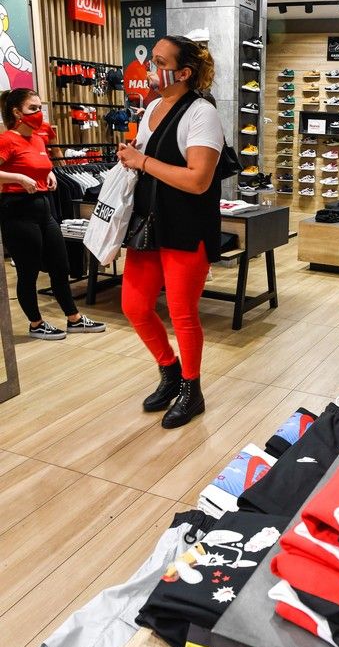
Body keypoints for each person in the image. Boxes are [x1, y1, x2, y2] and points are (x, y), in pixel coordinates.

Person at [117, 36, 223, 429]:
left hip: (186, 227)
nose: (148, 68)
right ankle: (170, 370)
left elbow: (198, 180)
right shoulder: (152, 109)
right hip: (149, 223)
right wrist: (132, 159)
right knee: (135, 305)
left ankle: (192, 390)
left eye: (157, 61)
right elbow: (147, 162)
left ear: (183, 72)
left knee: (182, 313)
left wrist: (142, 160)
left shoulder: (201, 113)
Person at [0, 88, 105, 340]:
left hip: (44, 208)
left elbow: (39, 164)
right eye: (32, 109)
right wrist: (18, 177)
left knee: (61, 265)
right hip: (17, 210)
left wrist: (46, 174)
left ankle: (74, 319)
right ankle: (36, 324)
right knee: (29, 271)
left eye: (39, 108)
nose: (38, 114)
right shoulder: (6, 140)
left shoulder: (38, 138)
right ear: (17, 112)